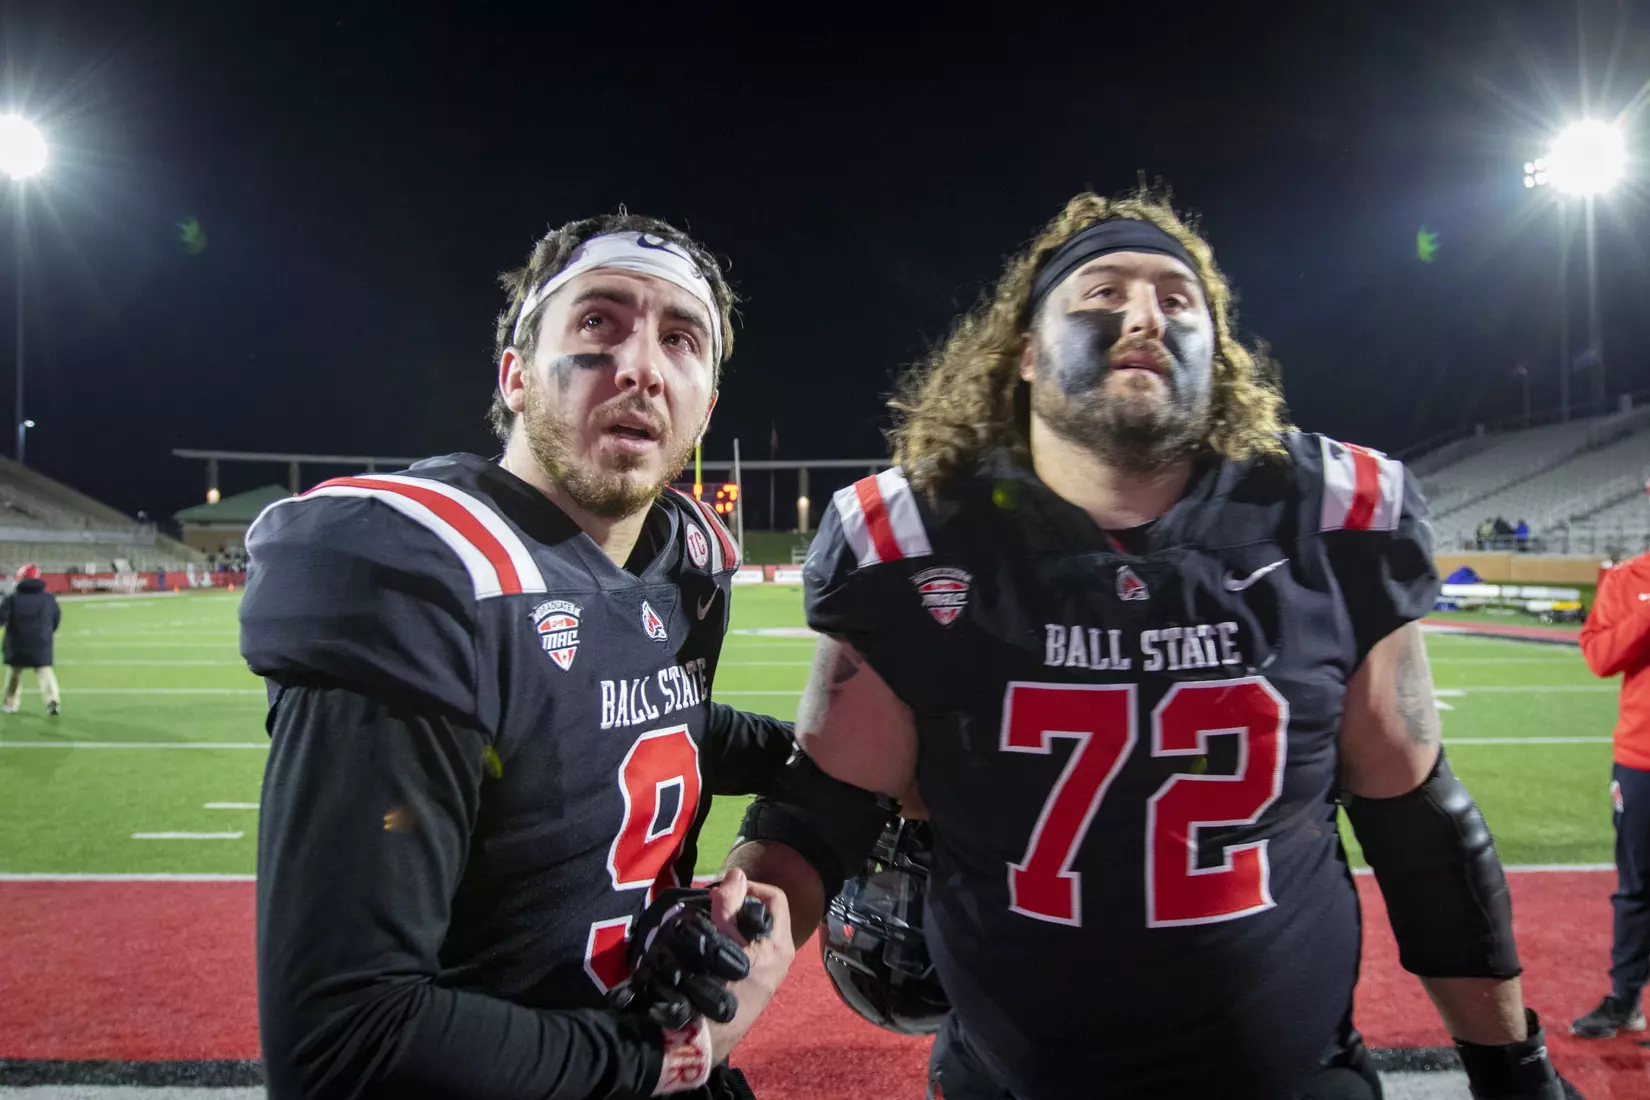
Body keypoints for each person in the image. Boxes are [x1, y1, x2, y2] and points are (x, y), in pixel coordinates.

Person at [727, 191, 1572, 1099]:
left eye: (1179, 298)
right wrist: (721, 959)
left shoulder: (1329, 517)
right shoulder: (916, 538)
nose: (1143, 313)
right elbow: (819, 820)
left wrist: (1514, 1071)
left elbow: (1420, 833)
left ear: (1220, 351)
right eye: (1101, 291)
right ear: (1021, 352)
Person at [241, 214, 801, 1099]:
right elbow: (345, 1041)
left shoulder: (685, 558)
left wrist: (828, 760)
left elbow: (645, 716)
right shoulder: (428, 569)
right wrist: (667, 1058)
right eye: (597, 322)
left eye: (681, 339)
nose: (642, 367)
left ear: (706, 403)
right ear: (514, 375)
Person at [1575, 550, 1650, 1038]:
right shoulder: (1629, 578)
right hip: (1642, 757)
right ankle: (1624, 1000)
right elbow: (1601, 658)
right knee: (1637, 887)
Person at [0, 563, 60, 715]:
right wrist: (46, 633)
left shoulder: (12, 598)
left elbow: (1, 618)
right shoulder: (48, 598)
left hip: (17, 642)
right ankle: (52, 700)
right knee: (44, 671)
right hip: (41, 642)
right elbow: (56, 619)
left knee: (14, 673)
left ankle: (10, 703)